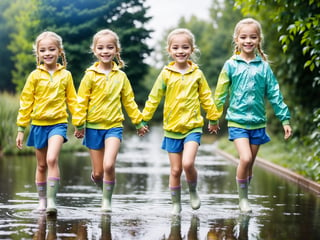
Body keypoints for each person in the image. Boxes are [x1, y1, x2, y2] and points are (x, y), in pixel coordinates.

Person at [213, 18, 292, 213]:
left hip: (257, 123)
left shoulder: (263, 67)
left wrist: (285, 119)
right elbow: (220, 94)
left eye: (253, 37)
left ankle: (244, 191)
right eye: (244, 37)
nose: (248, 40)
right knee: (245, 159)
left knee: (250, 166)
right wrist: (214, 118)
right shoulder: (230, 65)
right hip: (237, 122)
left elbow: (274, 93)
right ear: (236, 40)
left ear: (259, 40)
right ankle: (243, 200)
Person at [141, 28, 220, 214]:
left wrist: (213, 118)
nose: (180, 51)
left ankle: (192, 190)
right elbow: (154, 97)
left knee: (187, 164)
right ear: (169, 50)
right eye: (175, 47)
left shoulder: (197, 74)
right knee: (175, 170)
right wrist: (143, 120)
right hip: (172, 129)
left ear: (192, 49)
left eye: (185, 47)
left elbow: (206, 97)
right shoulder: (166, 74)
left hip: (193, 127)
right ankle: (176, 203)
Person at [73, 29, 148, 212]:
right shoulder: (90, 75)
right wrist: (79, 123)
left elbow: (129, 101)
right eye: (101, 47)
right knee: (98, 173)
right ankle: (101, 185)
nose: (105, 51)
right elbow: (81, 101)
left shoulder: (121, 76)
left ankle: (107, 201)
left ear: (116, 50)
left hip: (114, 126)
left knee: (109, 164)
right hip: (92, 127)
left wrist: (138, 122)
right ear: (94, 50)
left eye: (109, 47)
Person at [16, 31, 78, 215]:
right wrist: (21, 128)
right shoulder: (34, 76)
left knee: (52, 159)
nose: (47, 53)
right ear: (38, 54)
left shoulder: (66, 75)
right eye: (43, 50)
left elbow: (72, 100)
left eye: (51, 49)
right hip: (38, 125)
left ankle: (52, 201)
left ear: (59, 51)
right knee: (41, 165)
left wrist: (78, 123)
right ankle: (42, 201)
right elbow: (26, 102)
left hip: (58, 124)